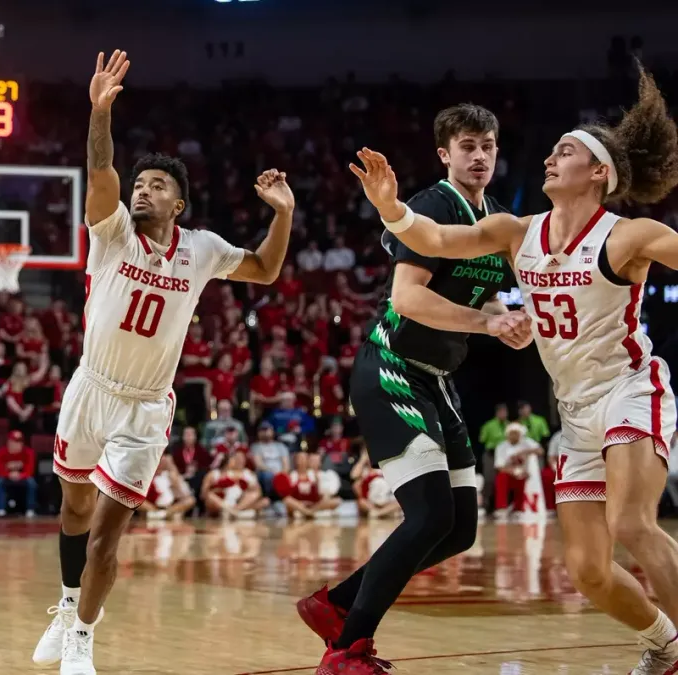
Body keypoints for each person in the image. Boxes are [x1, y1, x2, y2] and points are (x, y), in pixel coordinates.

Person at [353, 62, 678, 673]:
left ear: (598, 173)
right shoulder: (514, 230)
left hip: (630, 390)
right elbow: (437, 241)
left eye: (565, 152)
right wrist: (393, 208)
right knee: (587, 570)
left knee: (633, 522)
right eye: (551, 151)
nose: (550, 159)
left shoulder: (629, 236)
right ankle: (664, 644)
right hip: (575, 411)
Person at [34, 49, 296, 675]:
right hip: (90, 389)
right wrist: (99, 112)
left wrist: (282, 215)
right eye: (142, 183)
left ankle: (83, 639)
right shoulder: (113, 231)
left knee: (104, 538)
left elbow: (265, 269)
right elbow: (102, 173)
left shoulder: (201, 248)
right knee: (72, 510)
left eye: (159, 186)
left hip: (146, 406)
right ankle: (67, 607)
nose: (144, 190)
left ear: (179, 204)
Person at [296, 104, 536, 673]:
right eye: (468, 146)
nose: (480, 155)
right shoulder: (432, 205)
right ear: (444, 154)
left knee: (459, 529)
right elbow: (407, 297)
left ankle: (335, 603)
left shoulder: (497, 217)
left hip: (437, 379)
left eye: (488, 146)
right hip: (392, 366)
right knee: (427, 515)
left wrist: (508, 319)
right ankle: (347, 651)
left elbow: (488, 297)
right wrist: (485, 324)